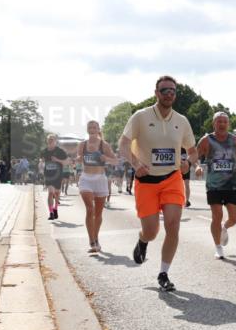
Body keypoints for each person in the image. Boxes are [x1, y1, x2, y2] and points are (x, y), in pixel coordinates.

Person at [118, 75, 197, 292]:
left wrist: (189, 162)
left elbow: (193, 150)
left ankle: (164, 273)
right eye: (164, 90)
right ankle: (143, 240)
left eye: (172, 91)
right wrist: (136, 164)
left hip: (172, 179)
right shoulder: (140, 117)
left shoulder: (181, 121)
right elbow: (123, 144)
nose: (169, 94)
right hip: (146, 181)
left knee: (173, 225)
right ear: (156, 93)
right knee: (152, 231)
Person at [196, 112, 236, 259]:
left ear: (228, 124)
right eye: (219, 121)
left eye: (225, 121)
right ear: (214, 124)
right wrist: (197, 166)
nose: (222, 124)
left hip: (232, 184)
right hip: (214, 185)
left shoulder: (235, 139)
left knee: (234, 218)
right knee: (217, 216)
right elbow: (195, 156)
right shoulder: (206, 140)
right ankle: (218, 247)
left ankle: (225, 227)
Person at [77, 120, 119, 253]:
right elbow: (79, 157)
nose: (92, 129)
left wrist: (106, 159)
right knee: (90, 209)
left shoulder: (104, 145)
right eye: (90, 127)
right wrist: (78, 159)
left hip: (100, 179)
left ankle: (96, 238)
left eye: (94, 127)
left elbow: (116, 161)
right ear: (87, 129)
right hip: (86, 179)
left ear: (98, 129)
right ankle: (91, 241)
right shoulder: (82, 145)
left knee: (98, 213)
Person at [41, 135, 71, 219]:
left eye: (52, 139)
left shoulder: (60, 151)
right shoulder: (44, 151)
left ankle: (55, 209)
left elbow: (67, 162)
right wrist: (42, 164)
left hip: (58, 175)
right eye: (49, 139)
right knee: (50, 192)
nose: (50, 141)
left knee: (57, 193)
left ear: (55, 141)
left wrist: (57, 160)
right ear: (47, 141)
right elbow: (42, 161)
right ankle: (51, 213)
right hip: (48, 175)